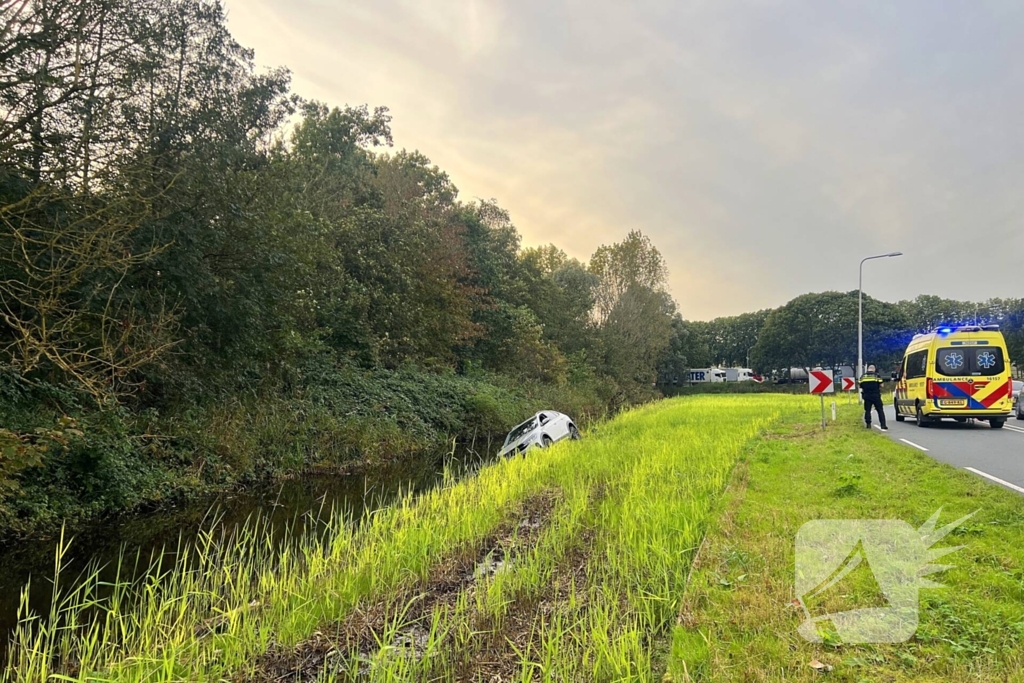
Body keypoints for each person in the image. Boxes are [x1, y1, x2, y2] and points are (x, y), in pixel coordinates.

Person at [860, 364, 887, 430]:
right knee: (880, 410)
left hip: (867, 395)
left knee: (867, 410)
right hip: (876, 396)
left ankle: (868, 424)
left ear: (868, 369)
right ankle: (883, 425)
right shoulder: (876, 376)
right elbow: (882, 385)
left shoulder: (863, 376)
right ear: (874, 369)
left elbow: (860, 385)